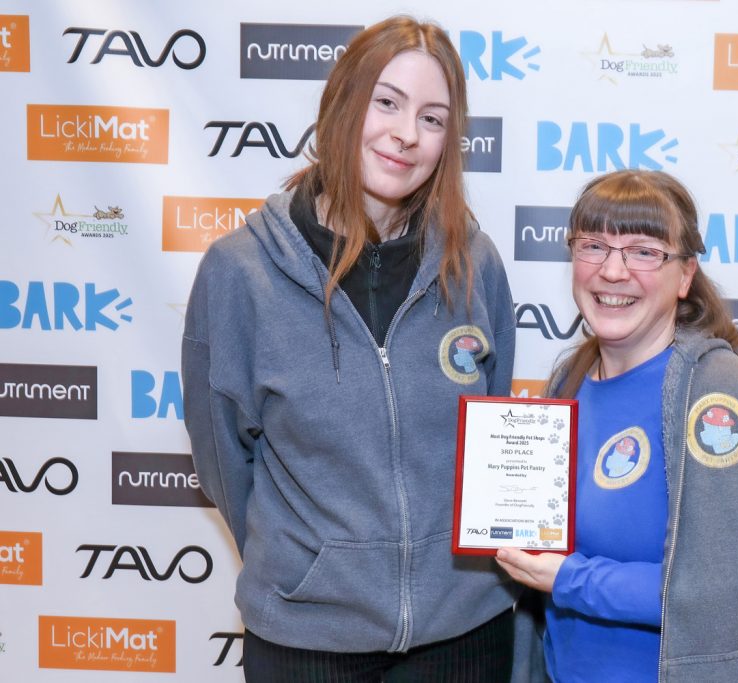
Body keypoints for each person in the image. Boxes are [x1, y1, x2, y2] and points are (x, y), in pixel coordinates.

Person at [182, 16, 518, 682]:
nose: (406, 133)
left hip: (464, 630)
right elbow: (224, 460)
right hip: (307, 637)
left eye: (432, 118)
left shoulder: (474, 263)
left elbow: (495, 431)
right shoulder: (241, 272)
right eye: (386, 102)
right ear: (342, 104)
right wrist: (312, 564)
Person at [496, 170, 738, 682]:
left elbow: (725, 593)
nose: (613, 271)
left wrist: (571, 578)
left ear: (684, 276)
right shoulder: (569, 380)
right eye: (593, 246)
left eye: (644, 252)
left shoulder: (715, 395)